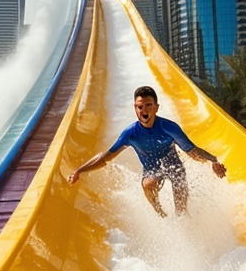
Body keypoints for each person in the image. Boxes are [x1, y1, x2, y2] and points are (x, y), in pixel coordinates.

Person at [68, 85, 226, 217]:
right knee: (148, 184)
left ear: (156, 107)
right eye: (140, 107)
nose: (144, 110)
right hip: (152, 169)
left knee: (181, 210)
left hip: (174, 167)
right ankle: (161, 215)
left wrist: (213, 160)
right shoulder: (130, 134)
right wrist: (80, 170)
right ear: (135, 109)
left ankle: (183, 219)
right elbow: (106, 157)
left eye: (149, 105)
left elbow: (191, 151)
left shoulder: (169, 128)